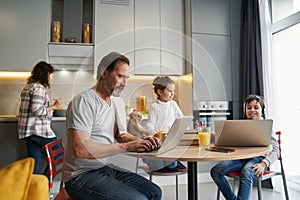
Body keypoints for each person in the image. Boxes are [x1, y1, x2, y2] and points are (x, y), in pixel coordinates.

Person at [62, 52, 162, 200]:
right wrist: (126, 147)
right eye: (121, 76)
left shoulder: (113, 102)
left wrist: (141, 142)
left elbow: (119, 135)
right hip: (80, 176)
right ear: (104, 73)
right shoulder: (84, 101)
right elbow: (81, 150)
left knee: (154, 192)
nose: (125, 83)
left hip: (103, 168)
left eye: (126, 78)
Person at [210, 94, 279, 200]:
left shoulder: (267, 126)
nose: (252, 110)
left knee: (246, 173)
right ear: (245, 110)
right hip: (240, 159)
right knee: (215, 171)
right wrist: (219, 140)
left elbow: (276, 150)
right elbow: (234, 142)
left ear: (262, 110)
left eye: (256, 107)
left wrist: (264, 164)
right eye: (249, 107)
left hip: (259, 160)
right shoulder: (241, 125)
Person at [18, 61, 62, 174]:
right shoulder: (39, 88)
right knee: (59, 154)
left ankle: (34, 189)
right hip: (38, 131)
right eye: (49, 75)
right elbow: (36, 110)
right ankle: (45, 182)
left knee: (34, 164)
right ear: (45, 74)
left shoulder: (28, 87)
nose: (50, 78)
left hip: (28, 131)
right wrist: (54, 106)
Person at [142, 76, 187, 172]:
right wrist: (154, 134)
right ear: (160, 92)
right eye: (170, 91)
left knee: (171, 164)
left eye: (173, 91)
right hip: (160, 142)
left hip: (171, 142)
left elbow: (182, 120)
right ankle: (150, 160)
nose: (173, 94)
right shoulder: (154, 107)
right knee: (170, 164)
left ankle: (165, 162)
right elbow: (150, 125)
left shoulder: (173, 104)